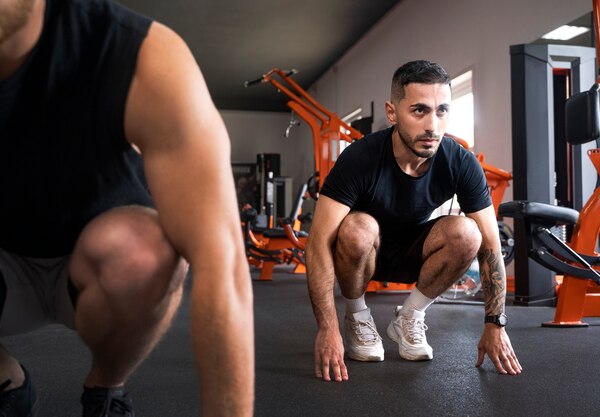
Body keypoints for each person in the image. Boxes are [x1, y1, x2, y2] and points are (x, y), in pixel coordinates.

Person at [0, 0, 254, 416]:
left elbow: (221, 262)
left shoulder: (139, 55)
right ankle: (7, 381)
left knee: (144, 252)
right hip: (6, 271)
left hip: (98, 268)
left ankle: (106, 387)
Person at [305, 60, 522, 382]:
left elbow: (491, 245)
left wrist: (495, 323)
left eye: (442, 111)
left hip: (418, 256)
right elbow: (318, 241)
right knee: (358, 227)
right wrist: (328, 327)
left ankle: (410, 315)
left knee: (468, 232)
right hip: (363, 254)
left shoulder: (459, 162)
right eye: (419, 111)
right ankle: (357, 316)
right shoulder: (360, 158)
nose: (432, 125)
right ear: (393, 113)